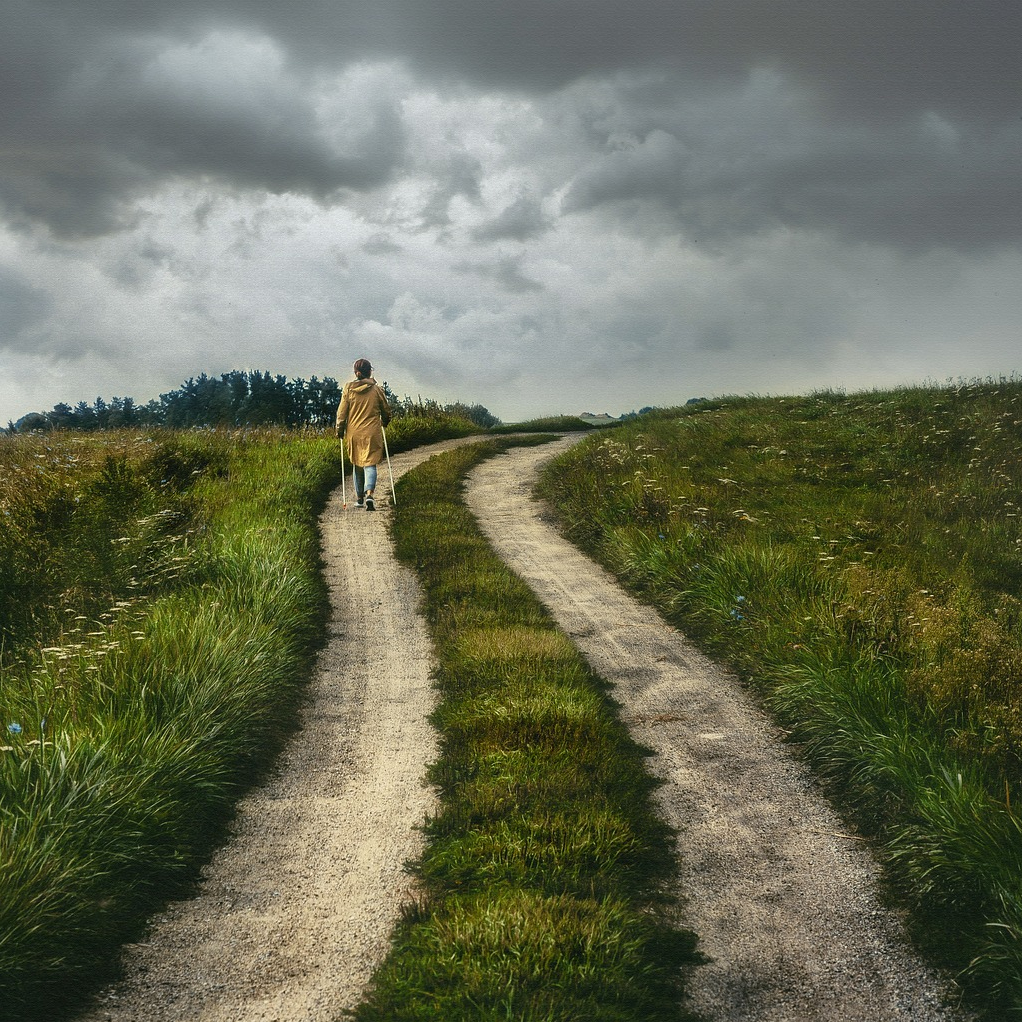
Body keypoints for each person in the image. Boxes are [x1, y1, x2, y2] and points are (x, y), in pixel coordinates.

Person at [335, 358, 391, 510]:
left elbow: (342, 413)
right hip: (372, 431)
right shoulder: (377, 389)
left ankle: (359, 498)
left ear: (356, 372)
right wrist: (385, 421)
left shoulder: (348, 389)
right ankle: (370, 495)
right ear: (370, 371)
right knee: (370, 463)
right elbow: (386, 409)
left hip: (354, 432)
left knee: (357, 463)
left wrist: (339, 429)